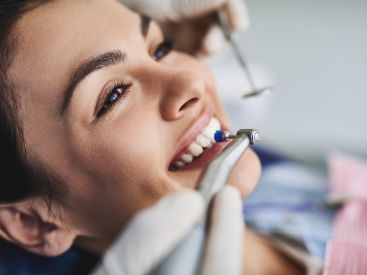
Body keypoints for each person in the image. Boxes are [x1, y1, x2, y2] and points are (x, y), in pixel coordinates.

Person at [0, 0, 315, 274]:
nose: (192, 81)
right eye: (114, 96)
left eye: (161, 48)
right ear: (32, 223)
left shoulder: (296, 183)